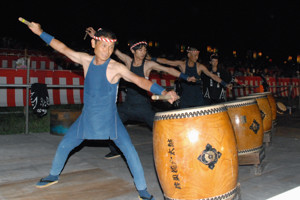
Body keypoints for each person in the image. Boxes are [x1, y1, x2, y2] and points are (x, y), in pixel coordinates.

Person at [24, 21, 178, 200]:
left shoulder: (116, 67)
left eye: (111, 47)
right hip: (86, 118)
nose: (107, 50)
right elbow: (62, 48)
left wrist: (163, 91)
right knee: (65, 145)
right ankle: (53, 175)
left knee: (130, 152)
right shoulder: (85, 60)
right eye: (103, 46)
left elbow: (139, 81)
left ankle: (143, 191)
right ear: (93, 44)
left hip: (110, 120)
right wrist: (40, 32)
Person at [85, 27, 196, 159]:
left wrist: (185, 77)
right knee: (111, 122)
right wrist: (96, 36)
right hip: (128, 106)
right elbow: (113, 48)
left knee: (162, 128)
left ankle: (177, 149)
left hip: (143, 107)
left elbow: (168, 69)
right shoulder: (127, 61)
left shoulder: (148, 65)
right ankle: (115, 149)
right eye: (140, 50)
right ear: (133, 50)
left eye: (144, 49)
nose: (143, 52)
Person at [149, 47, 232, 108]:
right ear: (189, 55)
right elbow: (166, 61)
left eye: (197, 55)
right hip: (185, 99)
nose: (197, 57)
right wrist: (151, 58)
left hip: (198, 100)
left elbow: (213, 76)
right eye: (195, 55)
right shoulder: (182, 64)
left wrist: (225, 84)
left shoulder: (200, 67)